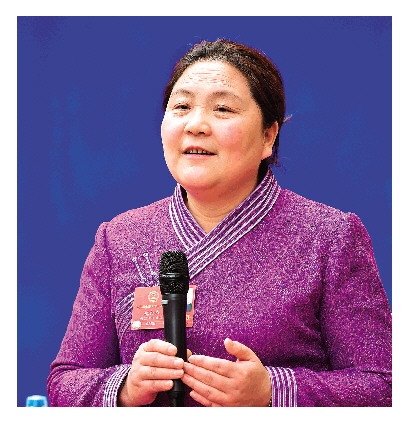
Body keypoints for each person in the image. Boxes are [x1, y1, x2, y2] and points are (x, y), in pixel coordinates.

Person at [47, 38, 392, 407]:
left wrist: (272, 391)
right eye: (181, 106)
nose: (196, 124)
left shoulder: (330, 237)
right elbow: (65, 381)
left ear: (268, 136)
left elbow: (385, 386)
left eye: (223, 109)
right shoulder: (119, 239)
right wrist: (127, 387)